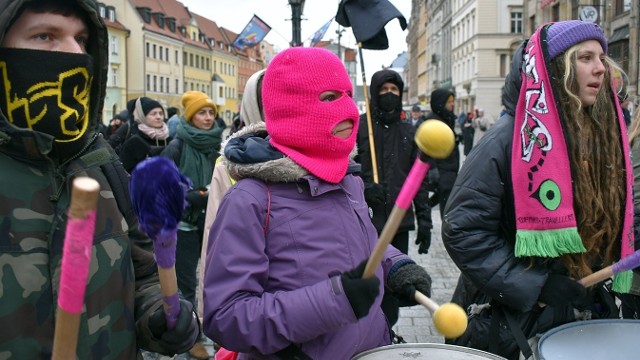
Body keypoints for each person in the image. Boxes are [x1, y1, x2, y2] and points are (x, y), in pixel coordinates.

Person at [202, 47, 432, 359]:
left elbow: (359, 242)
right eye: (329, 97)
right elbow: (227, 316)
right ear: (291, 108)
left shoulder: (347, 179)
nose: (349, 110)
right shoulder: (251, 199)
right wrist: (335, 301)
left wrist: (393, 265)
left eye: (348, 95)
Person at [0, 0, 198, 358]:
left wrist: (158, 315)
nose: (74, 53)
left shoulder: (101, 161)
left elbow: (144, 272)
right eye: (45, 35)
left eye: (81, 38)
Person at [442, 20, 640, 360]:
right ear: (553, 70)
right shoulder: (505, 140)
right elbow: (464, 229)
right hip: (515, 324)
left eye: (602, 58)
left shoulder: (605, 139)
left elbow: (615, 217)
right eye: (585, 58)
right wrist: (536, 285)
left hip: (582, 316)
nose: (600, 69)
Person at [161, 90, 222, 359]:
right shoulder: (176, 146)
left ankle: (221, 333)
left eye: (211, 113)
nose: (208, 118)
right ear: (190, 116)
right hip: (184, 224)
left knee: (216, 277)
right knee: (186, 283)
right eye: (202, 112)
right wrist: (198, 195)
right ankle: (192, 336)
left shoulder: (219, 144)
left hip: (214, 221)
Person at [425, 88, 459, 219]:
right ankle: (447, 225)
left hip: (450, 167)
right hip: (441, 168)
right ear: (440, 103)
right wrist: (433, 168)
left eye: (452, 101)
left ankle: (427, 207)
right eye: (449, 102)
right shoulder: (433, 121)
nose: (452, 104)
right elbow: (427, 147)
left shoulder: (448, 118)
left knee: (445, 196)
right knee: (447, 202)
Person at [118, 96, 170, 173]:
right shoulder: (134, 142)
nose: (158, 117)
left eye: (161, 113)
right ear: (143, 117)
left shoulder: (169, 138)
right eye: (153, 114)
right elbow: (125, 172)